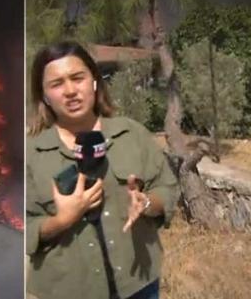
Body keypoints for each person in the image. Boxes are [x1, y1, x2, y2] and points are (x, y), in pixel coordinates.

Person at [25, 41, 180, 299]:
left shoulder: (131, 133)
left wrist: (147, 203)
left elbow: (167, 188)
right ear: (44, 96)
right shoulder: (30, 155)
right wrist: (60, 221)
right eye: (57, 84)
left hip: (138, 285)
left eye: (78, 78)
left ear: (94, 82)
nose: (71, 91)